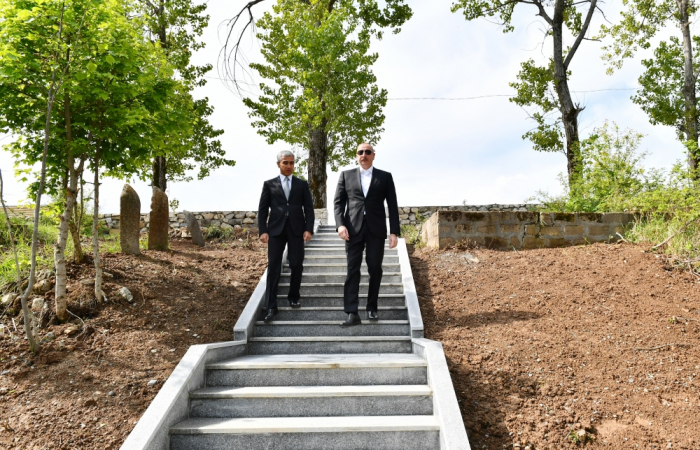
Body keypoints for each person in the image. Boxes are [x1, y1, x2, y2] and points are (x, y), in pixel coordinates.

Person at [333, 143, 400, 327]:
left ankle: (372, 307)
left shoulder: (385, 177)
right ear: (356, 156)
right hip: (352, 230)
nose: (364, 155)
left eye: (367, 152)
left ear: (373, 155)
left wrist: (394, 231)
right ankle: (352, 312)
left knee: (375, 268)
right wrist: (340, 226)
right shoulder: (346, 175)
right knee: (352, 269)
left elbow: (392, 205)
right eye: (360, 152)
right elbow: (338, 203)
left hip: (376, 229)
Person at [258, 151, 314, 322]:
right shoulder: (269, 184)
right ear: (278, 164)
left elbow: (309, 209)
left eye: (291, 163)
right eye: (285, 163)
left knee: (296, 264)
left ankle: (293, 296)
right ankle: (271, 306)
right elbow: (262, 209)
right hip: (275, 230)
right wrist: (263, 231)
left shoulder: (302, 184)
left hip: (297, 229)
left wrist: (309, 229)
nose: (289, 166)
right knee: (274, 267)